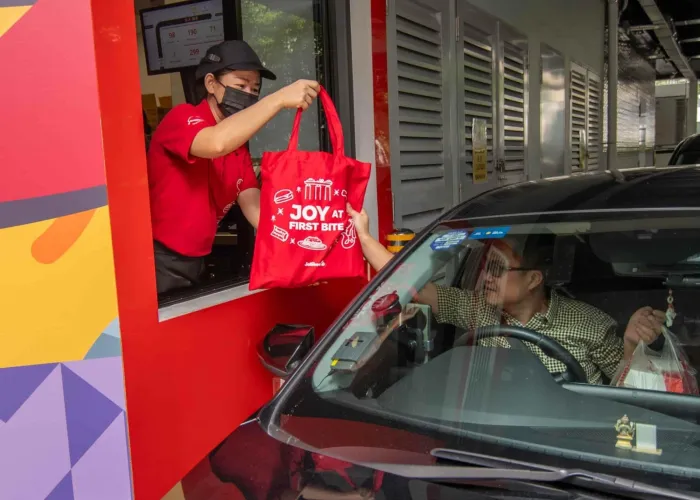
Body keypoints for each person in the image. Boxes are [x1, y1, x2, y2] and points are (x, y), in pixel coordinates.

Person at [346, 204, 665, 384]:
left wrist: (630, 347)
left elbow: (624, 400)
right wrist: (363, 236)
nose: (485, 278)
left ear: (533, 280)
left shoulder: (591, 325)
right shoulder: (475, 308)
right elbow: (410, 284)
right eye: (485, 267)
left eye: (497, 269)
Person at [147, 40, 320, 294]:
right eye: (241, 85)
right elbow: (216, 143)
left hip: (197, 260)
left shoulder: (238, 150)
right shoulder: (182, 118)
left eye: (255, 88)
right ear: (211, 84)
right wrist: (280, 99)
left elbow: (257, 210)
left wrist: (303, 255)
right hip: (157, 258)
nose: (249, 94)